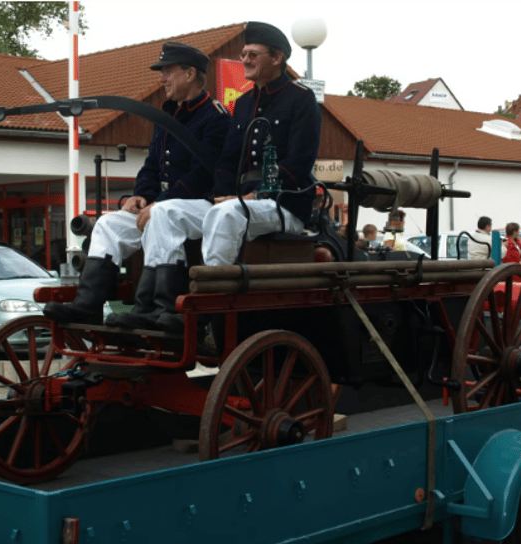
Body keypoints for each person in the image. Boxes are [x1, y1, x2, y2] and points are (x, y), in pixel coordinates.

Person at [107, 21, 321, 333]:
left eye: (252, 54)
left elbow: (298, 162)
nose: (244, 59)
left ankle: (207, 307)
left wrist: (255, 195)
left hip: (284, 203)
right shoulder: (245, 103)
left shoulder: (301, 100)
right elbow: (227, 160)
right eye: (243, 54)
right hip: (240, 202)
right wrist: (221, 193)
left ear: (277, 58)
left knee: (226, 212)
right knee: (167, 213)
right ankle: (154, 308)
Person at [43, 42, 230, 326]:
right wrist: (141, 195)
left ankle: (156, 308)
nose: (162, 79)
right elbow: (152, 166)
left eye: (167, 72)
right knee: (108, 224)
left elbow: (202, 176)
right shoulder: (167, 116)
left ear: (190, 74)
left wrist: (159, 203)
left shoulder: (215, 118)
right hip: (165, 208)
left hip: (204, 206)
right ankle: (88, 305)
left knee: (163, 215)